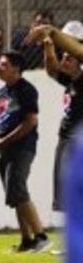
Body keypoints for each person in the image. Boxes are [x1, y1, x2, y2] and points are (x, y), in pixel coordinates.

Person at [0, 51, 50, 254]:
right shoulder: (3, 92)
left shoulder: (27, 90)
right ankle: (27, 240)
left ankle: (41, 236)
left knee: (18, 189)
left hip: (22, 148)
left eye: (4, 64)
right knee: (14, 195)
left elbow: (31, 121)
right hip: (6, 149)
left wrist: (7, 139)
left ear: (16, 69)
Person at [29, 21, 83, 217]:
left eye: (69, 54)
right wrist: (49, 46)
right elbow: (52, 70)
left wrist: (52, 32)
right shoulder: (72, 80)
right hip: (67, 140)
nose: (65, 58)